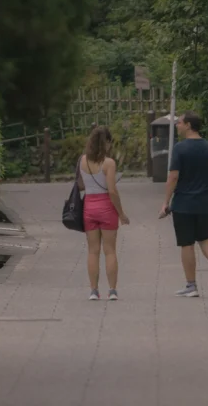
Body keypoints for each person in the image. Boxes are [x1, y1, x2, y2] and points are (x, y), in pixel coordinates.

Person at [159, 111, 208, 297]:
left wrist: (165, 202)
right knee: (205, 237)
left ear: (189, 125)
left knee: (187, 243)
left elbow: (173, 176)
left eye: (179, 122)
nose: (177, 125)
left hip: (183, 204)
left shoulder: (180, 149)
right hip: (205, 203)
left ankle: (191, 285)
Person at [77, 125, 129, 300]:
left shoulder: (82, 161)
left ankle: (93, 290)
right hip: (106, 208)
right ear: (106, 143)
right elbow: (112, 191)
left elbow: (80, 185)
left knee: (93, 251)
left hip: (89, 208)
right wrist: (121, 214)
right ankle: (112, 291)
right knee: (110, 251)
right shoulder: (109, 163)